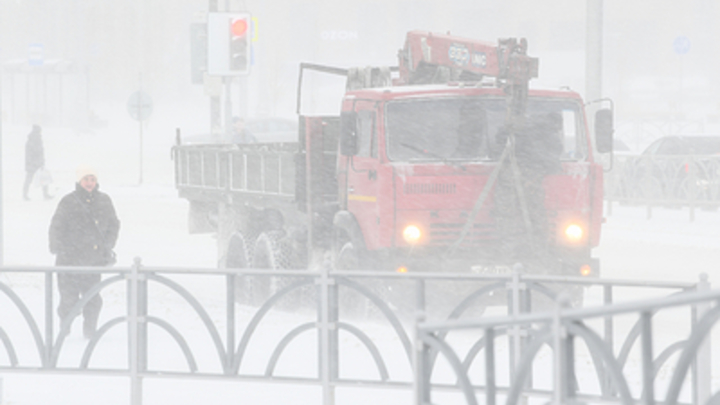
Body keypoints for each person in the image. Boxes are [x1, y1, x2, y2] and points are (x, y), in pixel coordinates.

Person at [49, 165, 120, 338]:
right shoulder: (68, 201)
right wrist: (59, 248)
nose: (89, 183)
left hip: (92, 260)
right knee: (69, 299)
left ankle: (90, 333)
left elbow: (114, 224)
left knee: (93, 300)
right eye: (86, 179)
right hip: (69, 261)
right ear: (79, 181)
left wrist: (107, 245)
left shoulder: (104, 200)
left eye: (92, 179)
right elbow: (56, 227)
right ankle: (64, 331)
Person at [23, 125, 52, 201]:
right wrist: (35, 162)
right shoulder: (33, 140)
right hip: (33, 164)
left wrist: (41, 161)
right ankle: (25, 194)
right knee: (30, 179)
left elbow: (40, 152)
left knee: (41, 178)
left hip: (37, 163)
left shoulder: (36, 139)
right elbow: (31, 153)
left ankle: (25, 194)